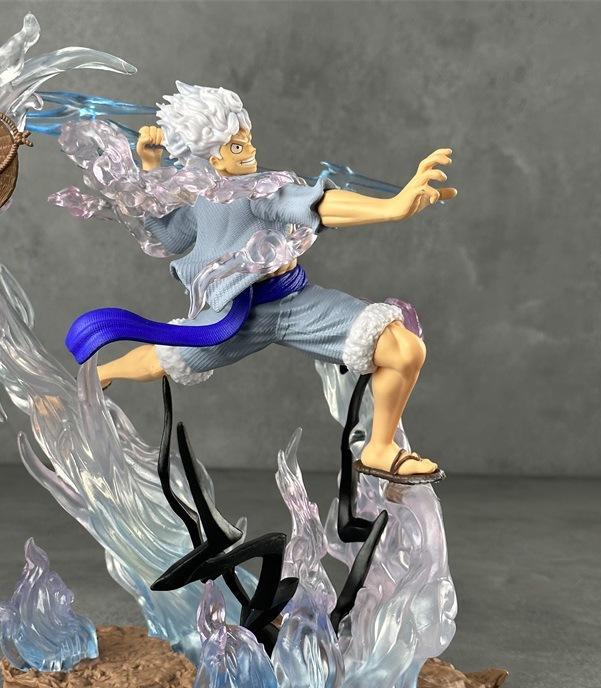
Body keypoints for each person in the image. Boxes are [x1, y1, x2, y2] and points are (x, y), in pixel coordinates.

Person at [85, 83, 457, 483]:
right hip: (237, 314)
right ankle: (97, 377)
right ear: (211, 155)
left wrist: (390, 208)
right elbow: (170, 237)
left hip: (295, 300)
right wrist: (151, 167)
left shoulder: (260, 189)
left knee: (403, 349)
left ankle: (380, 449)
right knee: (168, 357)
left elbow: (317, 205)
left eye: (247, 140)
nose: (251, 150)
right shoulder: (200, 199)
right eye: (237, 146)